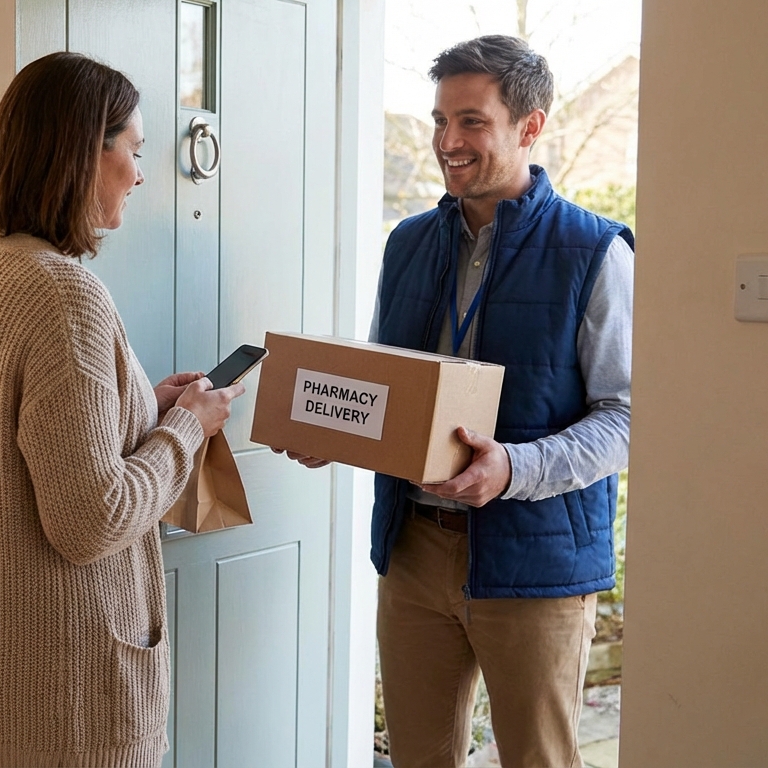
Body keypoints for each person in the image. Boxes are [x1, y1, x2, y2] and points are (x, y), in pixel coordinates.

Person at [280, 35, 633, 766]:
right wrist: (339, 431)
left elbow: (630, 417)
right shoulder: (408, 242)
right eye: (440, 120)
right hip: (412, 552)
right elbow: (389, 387)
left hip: (535, 568)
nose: (447, 141)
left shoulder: (597, 251)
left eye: (471, 121)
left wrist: (514, 468)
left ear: (530, 127)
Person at [0, 51, 244, 768]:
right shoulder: (62, 293)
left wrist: (146, 405)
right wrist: (187, 428)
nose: (139, 173)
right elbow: (90, 518)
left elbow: (23, 440)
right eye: (132, 150)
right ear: (82, 152)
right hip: (62, 699)